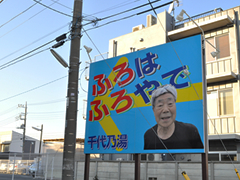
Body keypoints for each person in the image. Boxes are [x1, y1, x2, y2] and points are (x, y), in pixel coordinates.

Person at [144, 84, 203, 150]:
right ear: (153, 110)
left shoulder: (190, 131)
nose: (165, 110)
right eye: (160, 105)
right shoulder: (148, 135)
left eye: (170, 104)